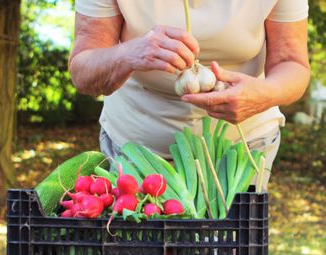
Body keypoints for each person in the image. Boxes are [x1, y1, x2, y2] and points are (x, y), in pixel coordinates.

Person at [69, 0, 310, 188]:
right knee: (141, 250)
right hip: (137, 147)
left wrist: (266, 93)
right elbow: (83, 70)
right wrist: (129, 54)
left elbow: (292, 63)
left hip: (241, 147)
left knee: (226, 250)